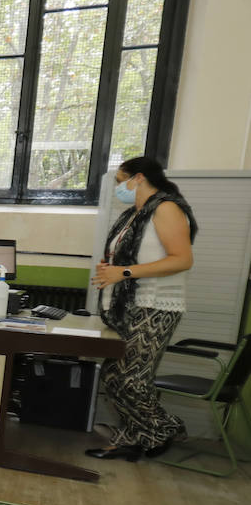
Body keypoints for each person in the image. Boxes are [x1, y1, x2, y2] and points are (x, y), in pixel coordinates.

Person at [87, 156, 198, 462]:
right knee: (113, 376)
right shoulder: (134, 215)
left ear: (138, 178)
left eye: (121, 180)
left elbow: (182, 259)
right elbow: (127, 258)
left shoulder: (166, 208)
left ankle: (163, 428)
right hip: (130, 306)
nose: (118, 187)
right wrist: (110, 269)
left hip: (156, 306)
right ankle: (139, 436)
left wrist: (122, 273)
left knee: (131, 380)